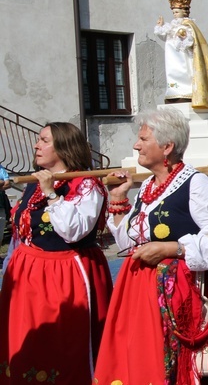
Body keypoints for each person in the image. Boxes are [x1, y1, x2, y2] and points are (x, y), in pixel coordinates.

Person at [93, 108, 208, 385]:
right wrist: (118, 202)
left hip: (179, 292)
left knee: (175, 364)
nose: (136, 145)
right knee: (140, 360)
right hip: (138, 289)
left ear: (167, 146)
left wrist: (172, 249)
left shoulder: (195, 183)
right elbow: (128, 244)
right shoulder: (147, 186)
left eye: (144, 139)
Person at [0, 122, 112, 383]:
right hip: (28, 274)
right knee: (27, 343)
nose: (36, 145)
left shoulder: (85, 185)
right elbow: (21, 231)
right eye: (38, 139)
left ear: (64, 147)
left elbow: (74, 231)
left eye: (44, 140)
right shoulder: (34, 181)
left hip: (65, 275)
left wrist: (52, 193)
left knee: (63, 345)